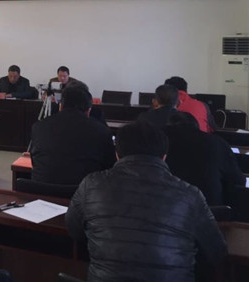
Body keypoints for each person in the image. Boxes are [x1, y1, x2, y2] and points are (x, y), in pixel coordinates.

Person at [66, 120, 227, 282]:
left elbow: (74, 229)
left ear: (117, 154)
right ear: (164, 157)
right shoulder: (190, 195)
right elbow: (216, 251)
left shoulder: (91, 184)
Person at [29, 82, 116, 184]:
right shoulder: (102, 131)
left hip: (42, 189)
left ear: (60, 107)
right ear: (88, 111)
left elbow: (35, 160)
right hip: (83, 191)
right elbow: (110, 168)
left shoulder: (38, 127)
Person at [166, 111, 246, 205]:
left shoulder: (162, 142)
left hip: (166, 205)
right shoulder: (217, 143)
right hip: (211, 207)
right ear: (196, 126)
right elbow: (238, 181)